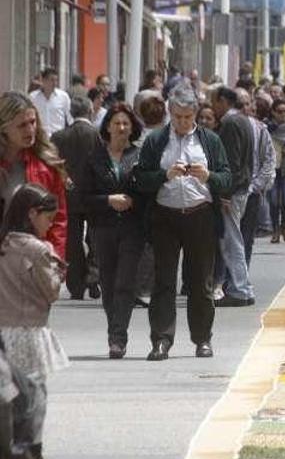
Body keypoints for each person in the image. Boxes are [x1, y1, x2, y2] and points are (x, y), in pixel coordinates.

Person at [134, 84, 232, 360]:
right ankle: (162, 339)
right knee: (164, 280)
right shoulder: (156, 141)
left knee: (200, 281)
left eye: (188, 117)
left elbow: (228, 179)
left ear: (196, 114)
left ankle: (202, 339)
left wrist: (209, 176)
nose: (182, 123)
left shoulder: (209, 141)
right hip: (165, 216)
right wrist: (164, 176)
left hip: (200, 215)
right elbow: (141, 179)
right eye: (177, 117)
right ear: (170, 113)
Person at [0, 184, 69, 459]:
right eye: (48, 218)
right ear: (32, 213)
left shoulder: (4, 244)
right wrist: (57, 268)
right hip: (29, 331)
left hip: (4, 331)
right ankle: (30, 450)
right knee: (34, 397)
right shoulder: (37, 250)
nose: (49, 224)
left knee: (10, 396)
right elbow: (51, 291)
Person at [81, 103, 145, 359]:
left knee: (125, 283)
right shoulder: (94, 158)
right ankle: (113, 331)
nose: (121, 128)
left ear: (132, 128)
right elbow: (84, 197)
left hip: (132, 228)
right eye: (116, 123)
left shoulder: (140, 157)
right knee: (108, 282)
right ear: (107, 126)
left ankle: (119, 337)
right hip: (103, 228)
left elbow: (149, 193)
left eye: (126, 123)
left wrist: (133, 201)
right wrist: (108, 200)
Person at [0, 92, 67, 259]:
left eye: (33, 122)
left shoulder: (46, 166)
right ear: (4, 129)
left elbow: (59, 219)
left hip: (33, 262)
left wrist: (55, 260)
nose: (30, 130)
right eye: (22, 125)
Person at [49, 96, 102, 300]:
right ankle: (94, 274)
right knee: (96, 236)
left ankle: (76, 284)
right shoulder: (97, 135)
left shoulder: (59, 136)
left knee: (72, 240)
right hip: (94, 193)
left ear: (71, 113)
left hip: (69, 194)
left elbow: (53, 164)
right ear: (89, 111)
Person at [211, 87, 256, 307]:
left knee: (232, 241)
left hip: (234, 191)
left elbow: (232, 161)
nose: (213, 108)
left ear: (222, 100)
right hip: (242, 188)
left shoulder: (230, 123)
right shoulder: (244, 121)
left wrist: (225, 192)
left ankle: (240, 288)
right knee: (234, 239)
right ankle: (243, 286)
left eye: (214, 102)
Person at [235, 89, 276, 267]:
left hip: (252, 191)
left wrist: (256, 186)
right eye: (240, 105)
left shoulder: (261, 130)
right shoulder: (228, 128)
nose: (245, 108)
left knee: (246, 236)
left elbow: (269, 160)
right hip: (231, 193)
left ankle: (242, 275)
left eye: (248, 104)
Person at [267, 99, 285, 243]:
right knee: (273, 201)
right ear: (273, 112)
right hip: (272, 167)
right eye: (279, 111)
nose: (283, 114)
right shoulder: (266, 128)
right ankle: (275, 230)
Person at [28, 68, 72, 136]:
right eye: (51, 80)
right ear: (43, 80)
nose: (54, 83)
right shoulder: (33, 97)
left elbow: (70, 118)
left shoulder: (63, 97)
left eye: (56, 80)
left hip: (59, 137)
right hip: (40, 137)